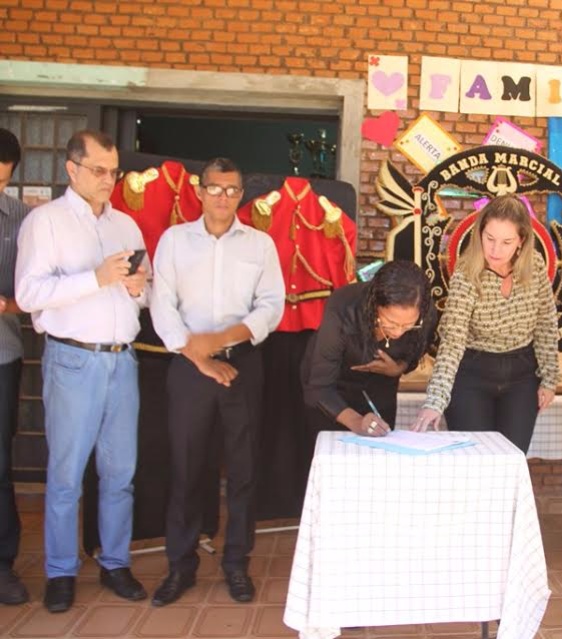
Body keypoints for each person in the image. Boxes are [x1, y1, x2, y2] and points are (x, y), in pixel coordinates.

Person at [15, 130, 149, 613]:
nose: (109, 180)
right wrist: (96, 277)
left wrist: (136, 286)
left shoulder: (126, 227)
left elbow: (143, 295)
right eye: (99, 170)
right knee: (67, 474)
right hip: (73, 358)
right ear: (72, 170)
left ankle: (115, 562)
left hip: (122, 358)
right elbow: (29, 295)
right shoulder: (45, 222)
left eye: (114, 171)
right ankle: (60, 571)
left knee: (120, 473)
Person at [149, 157, 284, 606]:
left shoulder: (259, 244)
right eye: (215, 188)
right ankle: (180, 566)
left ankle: (236, 564)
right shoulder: (174, 241)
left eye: (231, 190)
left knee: (243, 470)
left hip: (243, 363)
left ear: (240, 195)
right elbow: (161, 305)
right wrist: (198, 354)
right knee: (187, 468)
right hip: (189, 366)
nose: (223, 197)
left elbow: (270, 306)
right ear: (199, 191)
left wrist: (222, 339)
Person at [410, 195, 559, 454]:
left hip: (522, 377)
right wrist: (435, 400)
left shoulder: (534, 266)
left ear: (521, 241)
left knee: (511, 459)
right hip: (472, 375)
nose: (495, 249)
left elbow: (545, 323)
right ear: (480, 233)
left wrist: (549, 378)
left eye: (506, 242)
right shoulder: (467, 273)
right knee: (474, 459)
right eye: (489, 238)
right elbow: (453, 340)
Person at [302, 260, 436, 435]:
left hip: (381, 389)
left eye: (408, 325)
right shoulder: (344, 307)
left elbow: (415, 354)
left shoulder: (426, 314)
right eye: (391, 322)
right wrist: (357, 422)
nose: (398, 333)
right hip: (332, 392)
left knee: (379, 452)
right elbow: (319, 387)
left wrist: (398, 369)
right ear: (375, 305)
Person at [0, 128, 30, 605]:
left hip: (2, 354)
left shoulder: (25, 219)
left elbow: (36, 295)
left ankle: (3, 563)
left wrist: (6, 304)